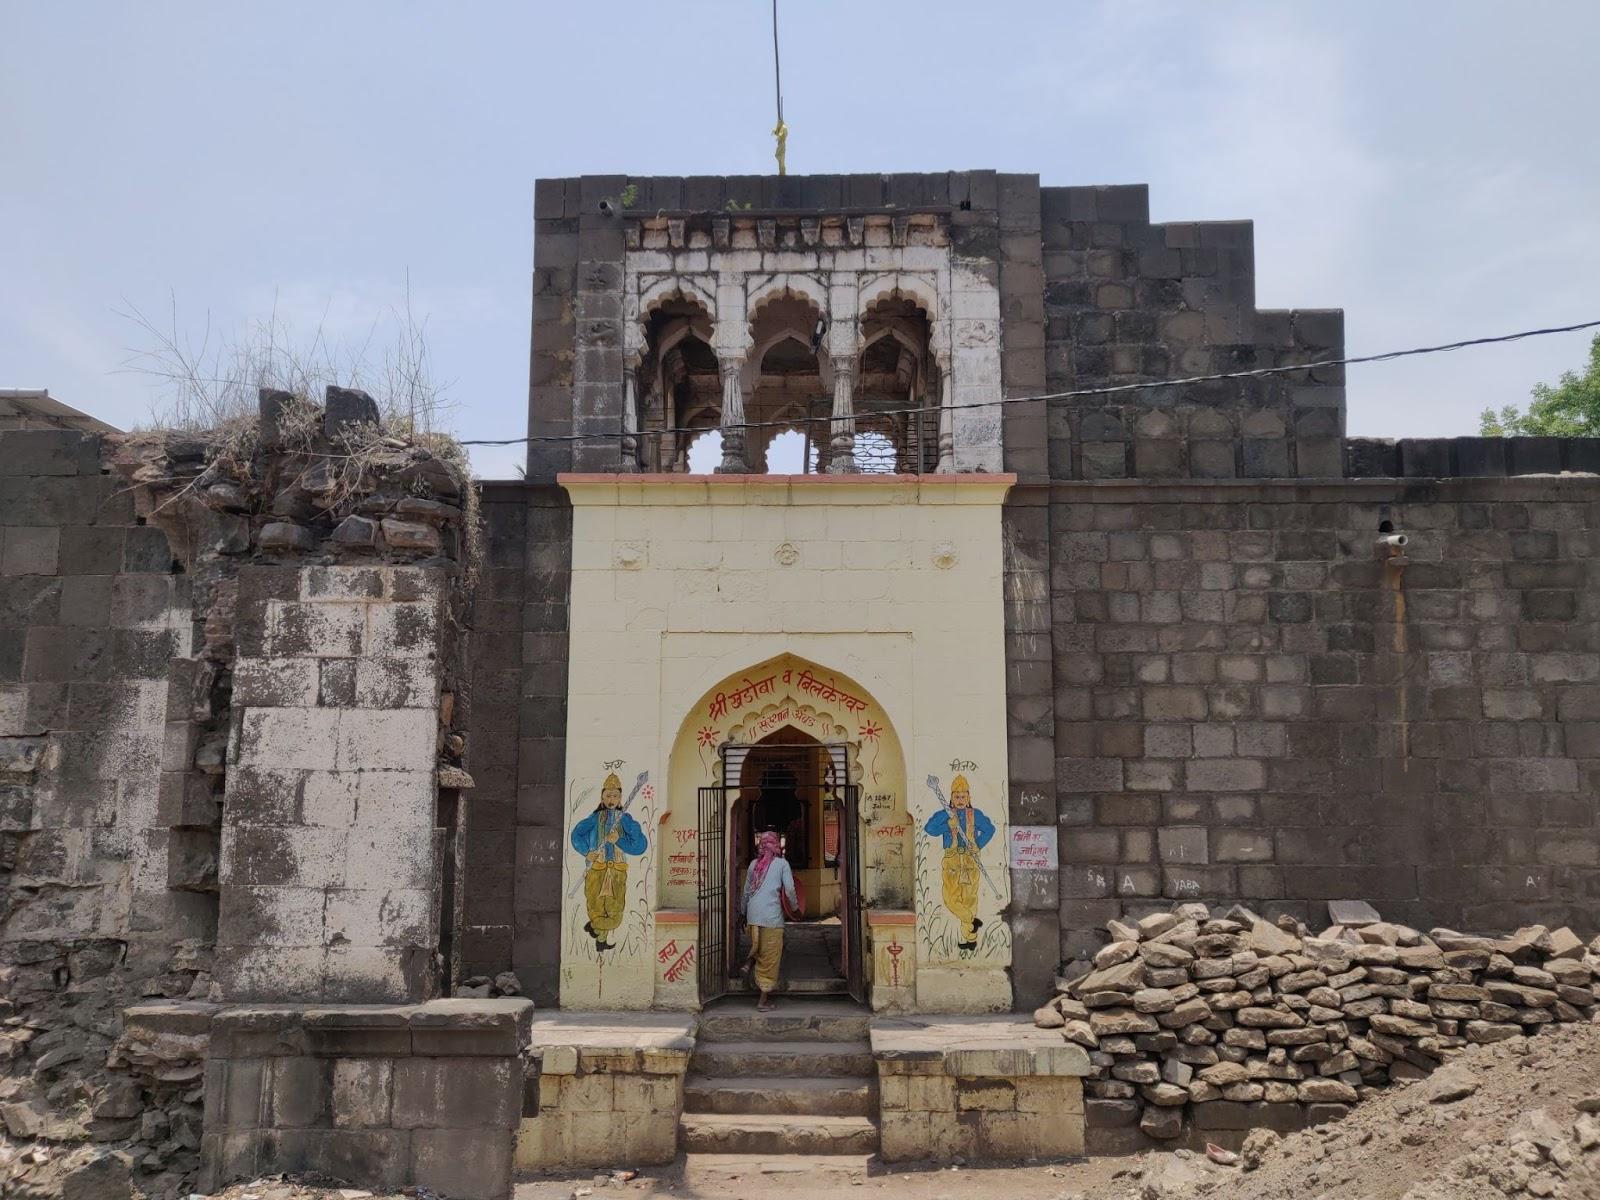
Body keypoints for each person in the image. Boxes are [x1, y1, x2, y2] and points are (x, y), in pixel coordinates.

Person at [570, 773, 647, 951]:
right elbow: (576, 834)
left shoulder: (625, 820)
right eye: (608, 795)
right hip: (596, 869)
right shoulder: (595, 818)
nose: (611, 799)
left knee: (614, 907)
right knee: (595, 904)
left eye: (615, 796)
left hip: (617, 871)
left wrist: (618, 840)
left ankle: (597, 930)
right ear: (602, 797)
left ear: (620, 798)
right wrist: (586, 852)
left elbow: (639, 846)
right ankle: (600, 939)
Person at [922, 774, 994, 951]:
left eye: (963, 796)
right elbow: (929, 829)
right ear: (951, 797)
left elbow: (989, 829)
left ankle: (970, 938)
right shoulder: (945, 814)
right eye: (957, 796)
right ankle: (971, 920)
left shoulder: (975, 814)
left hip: (970, 860)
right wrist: (948, 824)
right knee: (950, 899)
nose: (960, 800)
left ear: (968, 797)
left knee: (969, 899)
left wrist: (978, 844)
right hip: (952, 860)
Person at [740, 830, 798, 1011]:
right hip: (771, 917)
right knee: (770, 957)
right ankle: (762, 1001)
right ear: (776, 845)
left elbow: (746, 891)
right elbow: (789, 890)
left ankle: (749, 962)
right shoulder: (782, 864)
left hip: (753, 915)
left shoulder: (753, 865)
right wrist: (795, 909)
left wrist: (742, 912)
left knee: (760, 945)